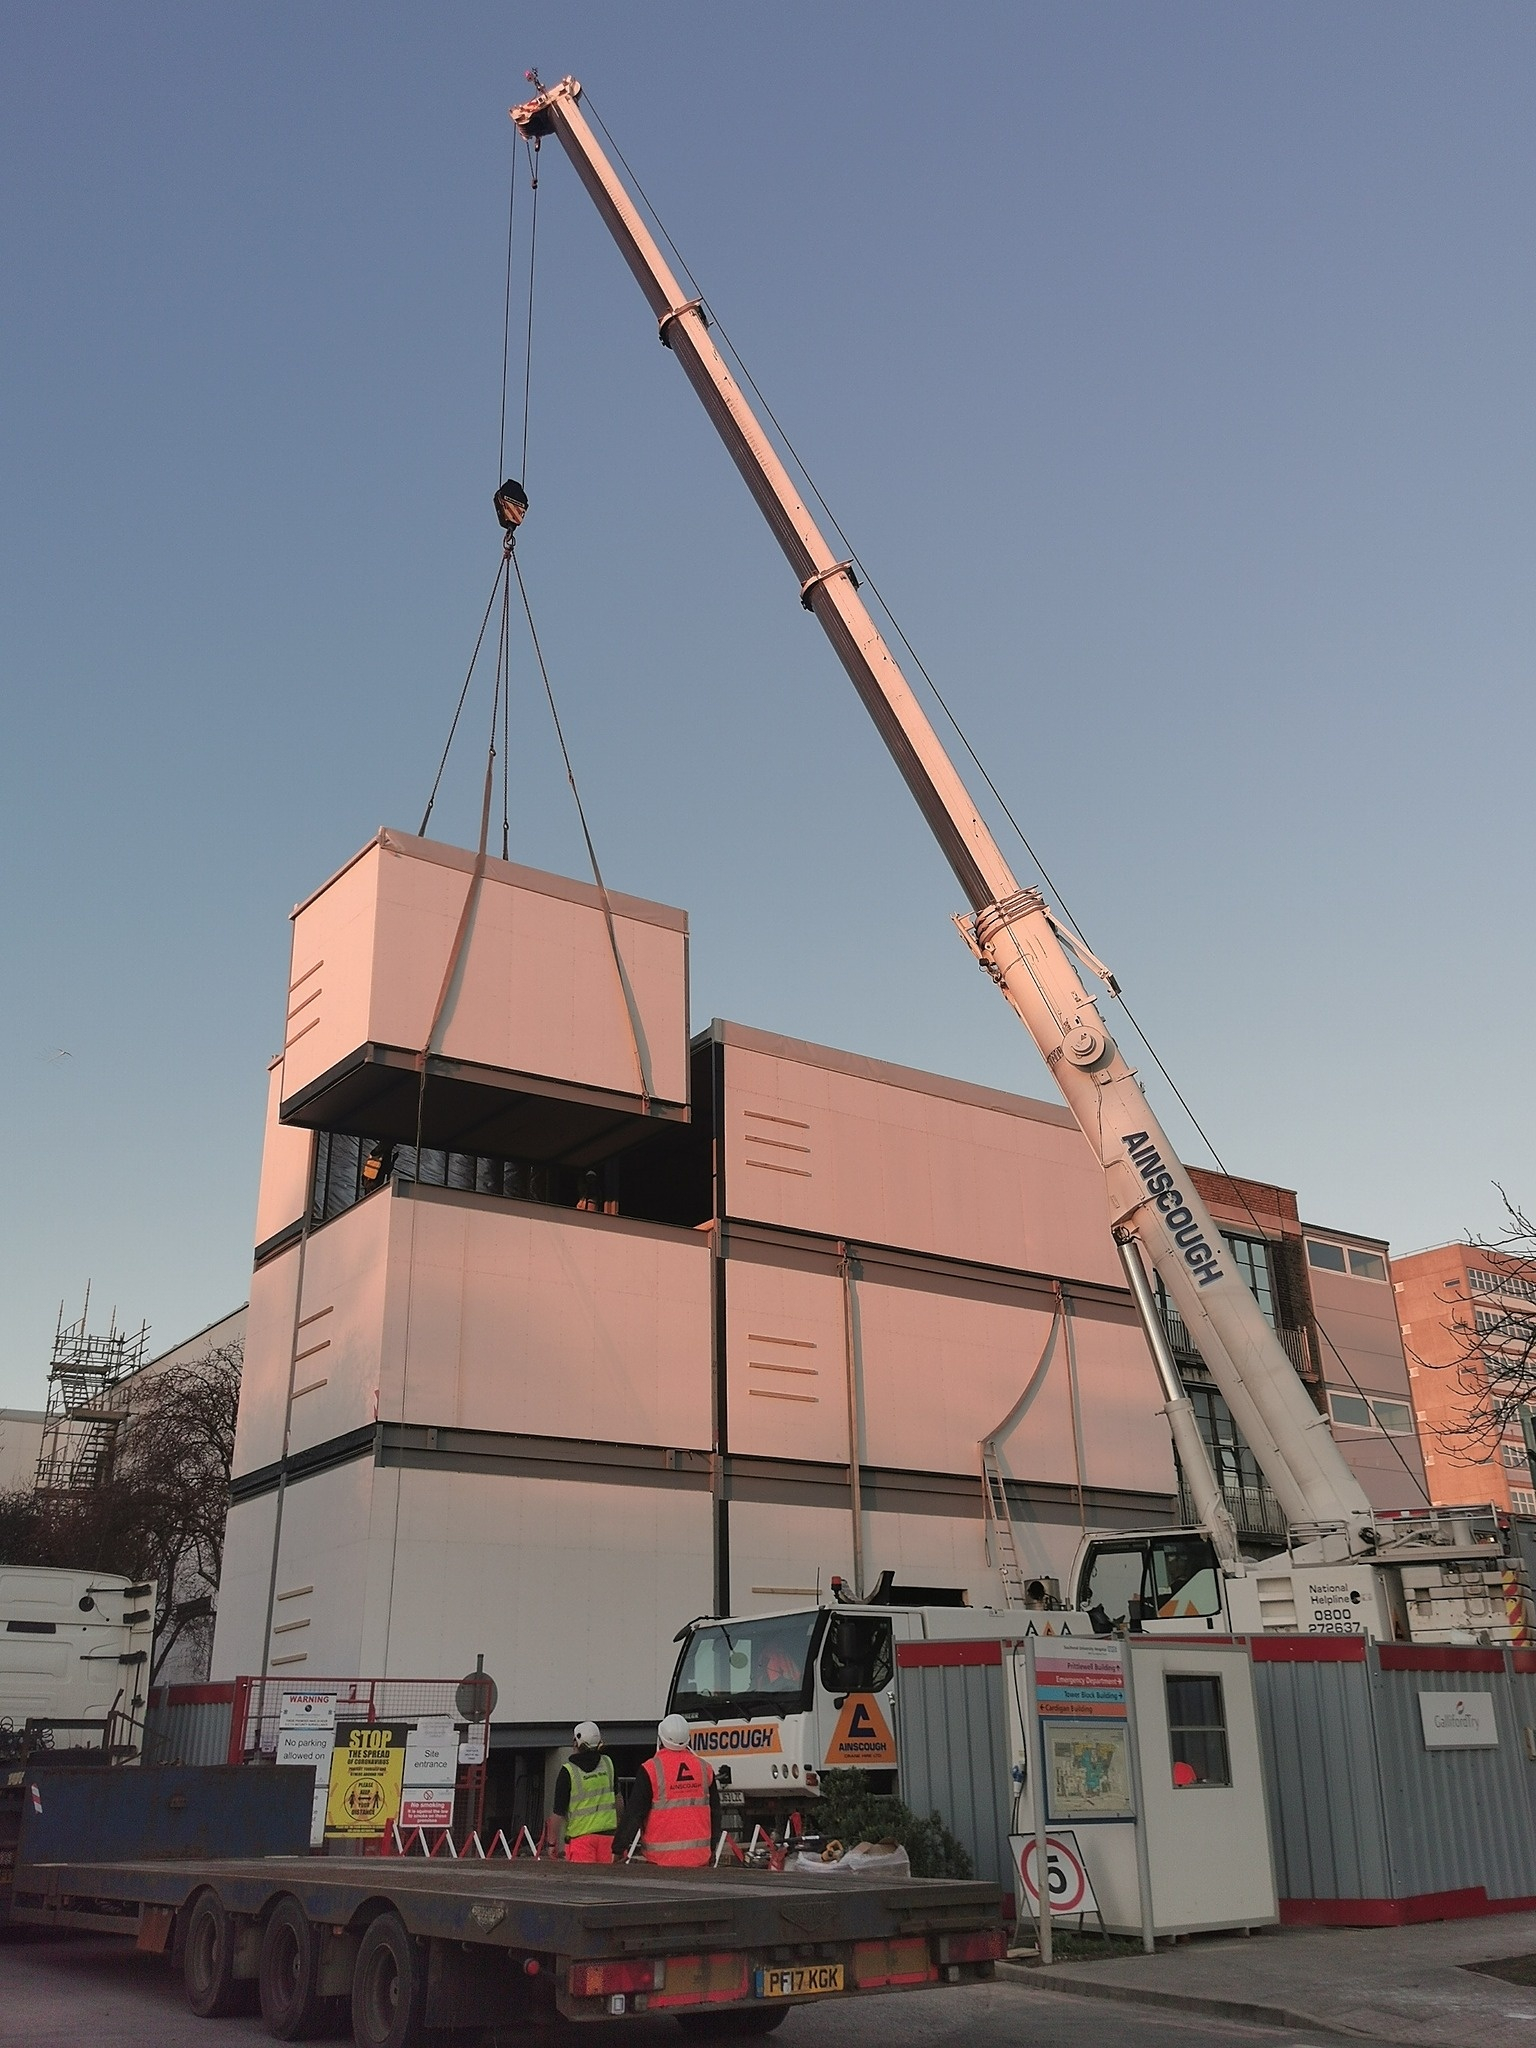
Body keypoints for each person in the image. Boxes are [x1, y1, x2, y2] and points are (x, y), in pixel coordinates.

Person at [613, 1714, 720, 1867]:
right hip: (699, 1860)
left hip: (661, 1862)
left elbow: (635, 1812)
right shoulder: (705, 1768)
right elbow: (715, 1812)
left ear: (660, 1738)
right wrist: (712, 1847)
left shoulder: (651, 1769)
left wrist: (619, 1847)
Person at [547, 1721, 619, 1863]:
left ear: (576, 1742)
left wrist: (552, 1843)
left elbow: (558, 1814)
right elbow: (619, 1801)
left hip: (581, 1840)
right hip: (608, 1839)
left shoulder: (568, 1772)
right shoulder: (608, 1764)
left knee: (583, 1877)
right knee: (609, 1877)